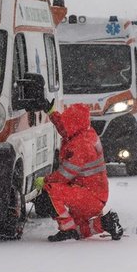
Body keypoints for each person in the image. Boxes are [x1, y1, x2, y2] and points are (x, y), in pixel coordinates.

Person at [33, 102, 124, 242]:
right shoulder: (84, 133)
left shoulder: (81, 145)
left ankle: (66, 230)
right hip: (90, 195)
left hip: (88, 196)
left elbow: (64, 175)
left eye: (68, 120)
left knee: (51, 190)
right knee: (79, 231)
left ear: (74, 123)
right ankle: (106, 223)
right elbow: (64, 128)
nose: (65, 125)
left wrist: (44, 181)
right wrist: (51, 112)